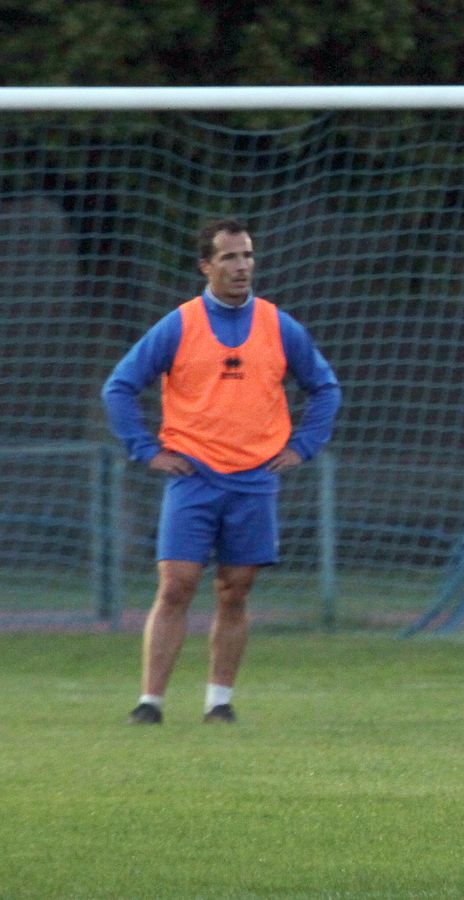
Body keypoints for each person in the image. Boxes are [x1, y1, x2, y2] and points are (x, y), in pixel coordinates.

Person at [103, 218, 341, 725]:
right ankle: (150, 703)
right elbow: (119, 387)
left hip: (254, 479)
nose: (242, 267)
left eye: (248, 256)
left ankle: (219, 702)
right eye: (230, 258)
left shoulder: (278, 324)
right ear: (206, 266)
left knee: (235, 589)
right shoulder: (180, 324)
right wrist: (146, 450)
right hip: (193, 476)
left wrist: (303, 446)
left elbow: (325, 388)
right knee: (176, 584)